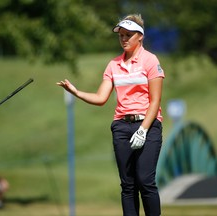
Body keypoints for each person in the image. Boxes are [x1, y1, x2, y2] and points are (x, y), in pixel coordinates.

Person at [57, 14, 164, 216]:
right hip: (122, 127)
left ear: (140, 36)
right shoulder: (114, 65)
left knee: (145, 180)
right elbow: (101, 97)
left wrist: (142, 130)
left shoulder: (150, 61)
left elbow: (155, 101)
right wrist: (76, 92)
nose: (123, 39)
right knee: (128, 184)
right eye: (121, 35)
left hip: (148, 126)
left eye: (128, 35)